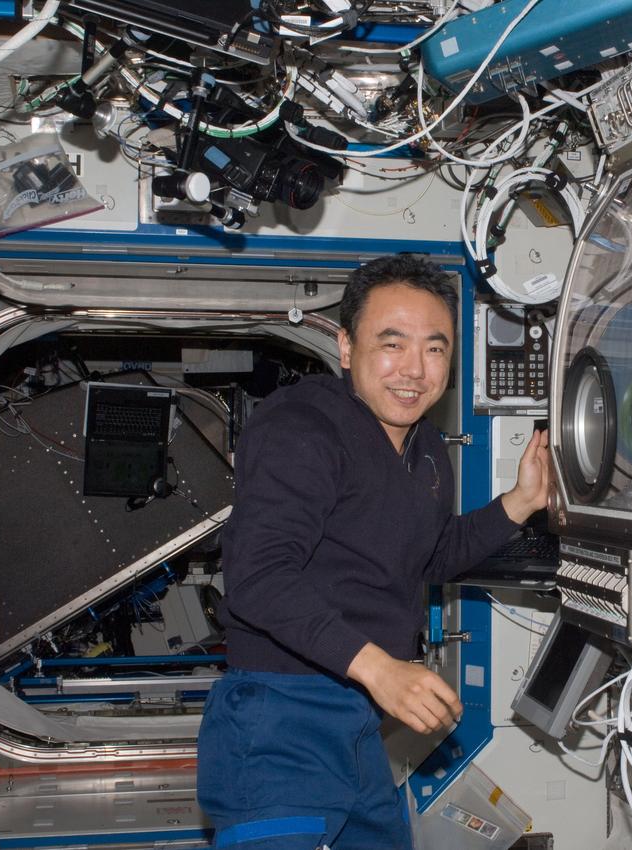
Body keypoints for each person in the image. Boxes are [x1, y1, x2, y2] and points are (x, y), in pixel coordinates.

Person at [197, 254, 550, 850]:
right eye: (392, 343)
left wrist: (520, 502)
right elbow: (258, 577)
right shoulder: (304, 428)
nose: (414, 369)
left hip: (356, 722)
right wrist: (381, 670)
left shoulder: (427, 449)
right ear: (345, 346)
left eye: (435, 348)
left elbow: (430, 557)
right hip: (278, 718)